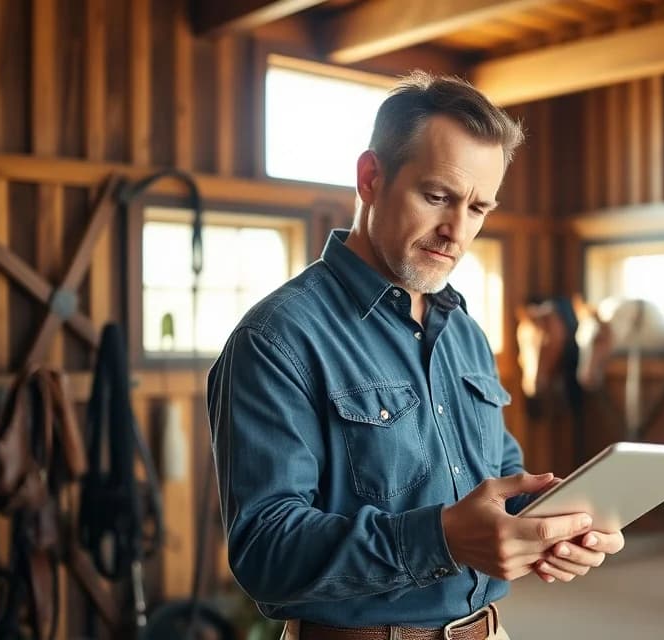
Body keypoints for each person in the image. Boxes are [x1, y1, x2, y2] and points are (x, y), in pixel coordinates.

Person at [206, 71, 624, 640]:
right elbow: (266, 554)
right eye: (437, 197)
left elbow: (498, 478)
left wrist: (556, 529)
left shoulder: (466, 332)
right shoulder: (277, 339)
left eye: (479, 208)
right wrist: (443, 538)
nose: (457, 231)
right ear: (370, 178)